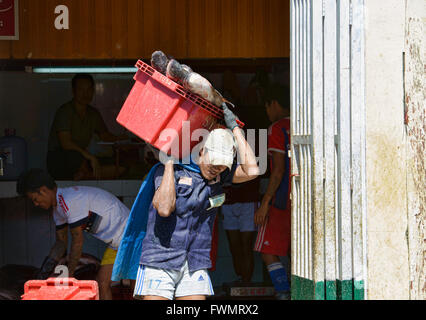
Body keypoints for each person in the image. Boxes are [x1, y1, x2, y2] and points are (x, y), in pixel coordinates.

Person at [129, 103, 260, 300]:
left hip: (195, 260)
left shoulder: (219, 178)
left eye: (222, 166)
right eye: (213, 163)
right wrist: (169, 163)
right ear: (201, 152)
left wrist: (235, 128)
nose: (217, 169)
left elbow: (252, 170)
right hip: (160, 260)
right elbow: (164, 209)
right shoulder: (171, 170)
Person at [16, 168, 130, 300]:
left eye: (35, 199)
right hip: (116, 244)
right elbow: (61, 244)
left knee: (136, 286)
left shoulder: (69, 200)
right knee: (102, 283)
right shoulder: (58, 209)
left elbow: (77, 241)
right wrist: (42, 274)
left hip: (131, 237)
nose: (36, 204)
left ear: (43, 190)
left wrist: (69, 274)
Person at [47, 73, 127, 181]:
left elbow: (104, 135)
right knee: (76, 157)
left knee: (120, 164)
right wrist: (90, 157)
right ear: (73, 91)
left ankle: (85, 175)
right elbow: (66, 143)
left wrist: (123, 139)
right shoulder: (64, 111)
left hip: (83, 159)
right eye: (81, 89)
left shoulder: (93, 113)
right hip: (62, 159)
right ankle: (84, 175)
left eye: (89, 90)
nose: (85, 94)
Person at [254, 83, 292, 300]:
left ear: (274, 104)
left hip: (280, 201)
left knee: (267, 250)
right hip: (301, 199)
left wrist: (266, 202)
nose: (267, 112)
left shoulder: (277, 129)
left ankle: (283, 292)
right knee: (298, 251)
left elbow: (278, 170)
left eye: (267, 107)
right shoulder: (303, 123)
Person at [221, 178, 260, 284]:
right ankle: (241, 278)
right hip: (227, 200)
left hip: (249, 199)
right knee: (234, 246)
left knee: (246, 245)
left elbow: (261, 170)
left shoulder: (253, 160)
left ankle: (246, 281)